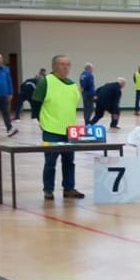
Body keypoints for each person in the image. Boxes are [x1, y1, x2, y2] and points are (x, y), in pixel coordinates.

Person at [35, 55, 85, 201]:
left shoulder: (73, 85)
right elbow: (36, 102)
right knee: (50, 162)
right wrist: (42, 121)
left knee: (69, 161)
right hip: (51, 130)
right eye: (62, 64)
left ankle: (69, 188)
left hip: (70, 130)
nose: (65, 67)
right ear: (54, 66)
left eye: (68, 64)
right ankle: (48, 190)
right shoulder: (46, 82)